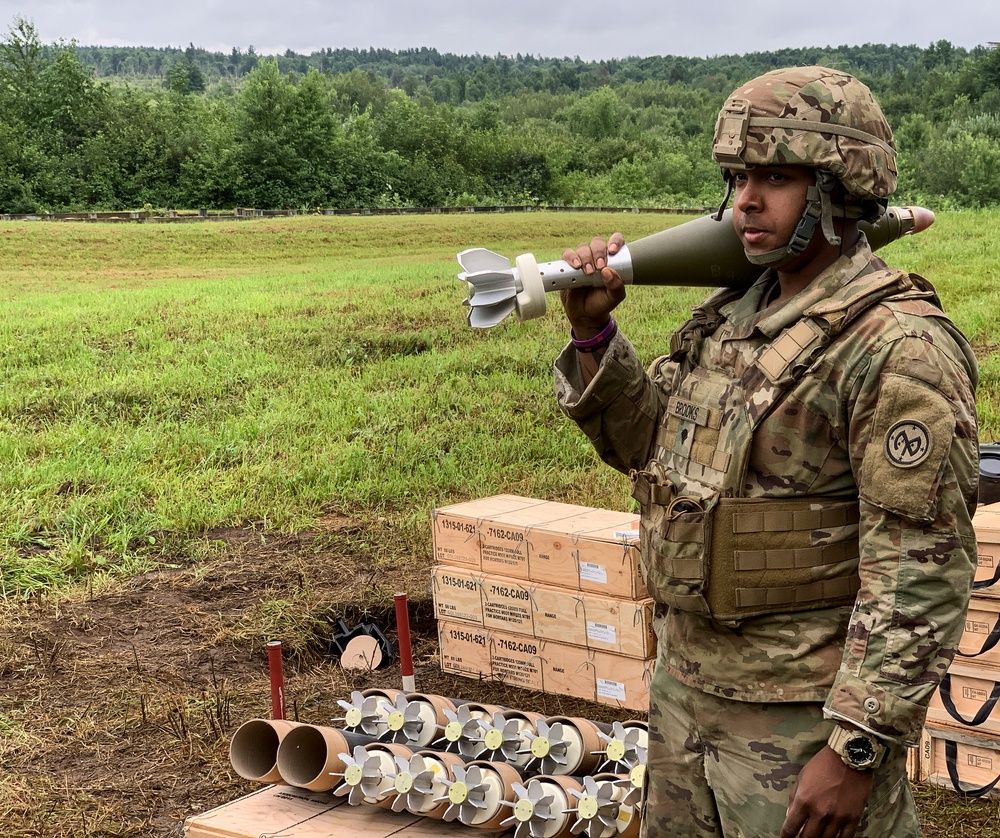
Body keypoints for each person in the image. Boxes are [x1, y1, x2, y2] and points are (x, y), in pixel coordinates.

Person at [553, 66, 980, 838]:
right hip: (687, 694)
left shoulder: (897, 347)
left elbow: (920, 564)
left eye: (776, 177)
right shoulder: (731, 314)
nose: (745, 199)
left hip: (801, 720)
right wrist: (594, 337)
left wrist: (856, 750)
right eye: (738, 176)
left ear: (841, 190)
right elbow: (647, 451)